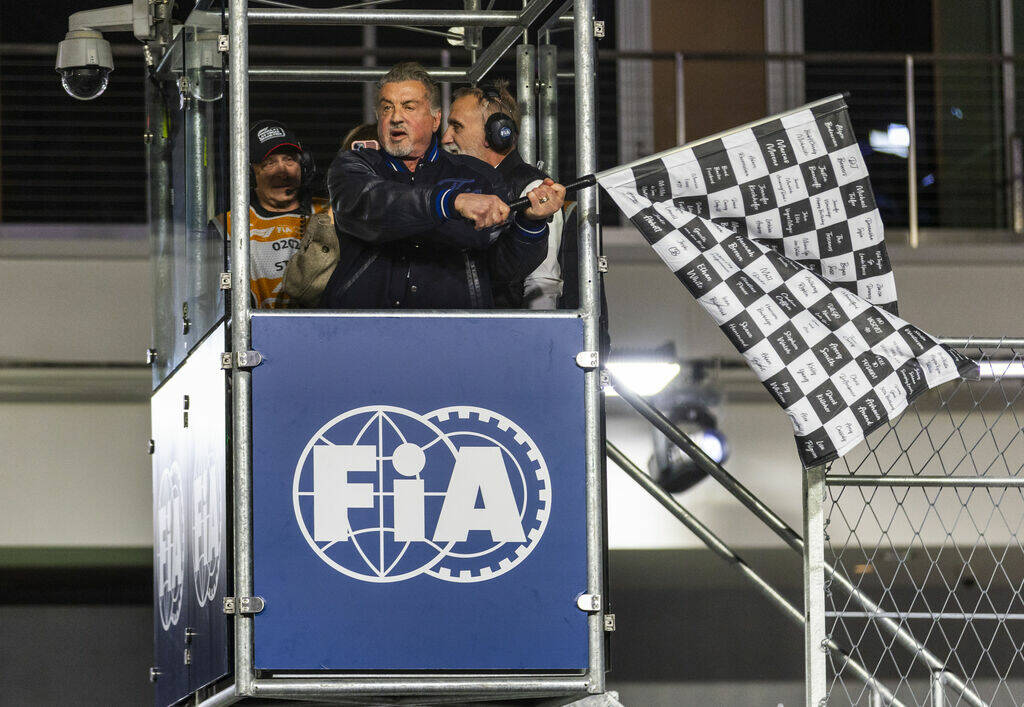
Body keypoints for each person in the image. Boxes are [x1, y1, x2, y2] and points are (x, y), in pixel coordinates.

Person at [319, 62, 563, 309]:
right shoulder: (353, 165)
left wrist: (530, 224)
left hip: (452, 335)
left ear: (435, 120)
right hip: (361, 330)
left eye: (409, 107)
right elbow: (370, 204)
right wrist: (449, 202)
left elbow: (503, 269)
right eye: (386, 108)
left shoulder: (477, 175)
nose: (395, 117)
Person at [442, 80, 566, 309]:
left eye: (456, 126)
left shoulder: (533, 189)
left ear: (497, 134)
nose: (446, 138)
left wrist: (536, 343)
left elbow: (543, 287)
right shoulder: (458, 187)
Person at [223, 120, 328, 308]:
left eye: (290, 160)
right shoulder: (228, 226)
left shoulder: (330, 213)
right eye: (269, 163)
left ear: (304, 165)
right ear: (249, 173)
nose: (283, 173)